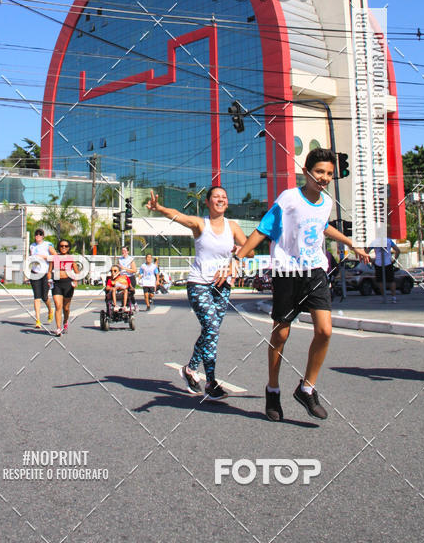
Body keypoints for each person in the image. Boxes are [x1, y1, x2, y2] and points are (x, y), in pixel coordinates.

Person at [233, 148, 370, 422]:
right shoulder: (289, 199)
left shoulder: (327, 202)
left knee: (325, 330)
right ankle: (273, 390)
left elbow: (321, 226)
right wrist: (237, 258)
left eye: (329, 173)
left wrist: (350, 242)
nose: (324, 178)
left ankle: (306, 389)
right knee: (280, 335)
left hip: (315, 271)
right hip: (287, 273)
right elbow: (263, 229)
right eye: (319, 172)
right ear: (306, 172)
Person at [147, 185, 247, 401]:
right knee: (211, 328)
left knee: (211, 331)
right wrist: (160, 208)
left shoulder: (233, 226)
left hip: (222, 285)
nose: (221, 199)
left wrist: (238, 252)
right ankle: (211, 382)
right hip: (199, 283)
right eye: (216, 197)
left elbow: (250, 249)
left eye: (224, 196)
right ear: (208, 202)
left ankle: (190, 369)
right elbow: (178, 216)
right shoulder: (201, 224)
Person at [49, 238, 78, 336]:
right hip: (57, 283)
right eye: (61, 246)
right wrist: (49, 280)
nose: (63, 247)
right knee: (58, 305)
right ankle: (58, 328)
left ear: (69, 248)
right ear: (59, 247)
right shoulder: (54, 258)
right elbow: (49, 271)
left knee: (66, 308)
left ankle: (65, 322)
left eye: (66, 246)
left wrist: (75, 280)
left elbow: (77, 272)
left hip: (68, 283)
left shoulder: (71, 258)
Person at [29, 228, 55, 329]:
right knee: (37, 297)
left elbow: (55, 257)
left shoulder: (48, 245)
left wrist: (43, 257)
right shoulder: (32, 246)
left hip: (45, 273)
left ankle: (50, 310)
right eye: (36, 234)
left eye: (40, 234)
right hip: (35, 272)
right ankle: (38, 320)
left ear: (43, 236)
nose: (38, 236)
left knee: (44, 297)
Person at [367, 237, 400, 302]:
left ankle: (384, 297)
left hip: (378, 263)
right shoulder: (389, 241)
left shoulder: (375, 241)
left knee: (380, 281)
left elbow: (366, 252)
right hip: (388, 262)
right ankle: (393, 297)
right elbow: (398, 250)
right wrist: (394, 260)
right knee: (391, 280)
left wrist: (371, 260)